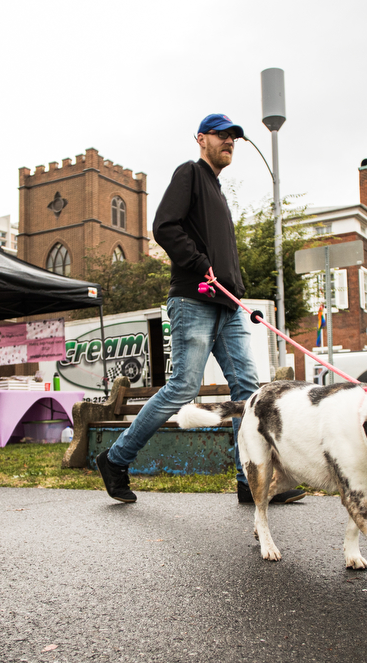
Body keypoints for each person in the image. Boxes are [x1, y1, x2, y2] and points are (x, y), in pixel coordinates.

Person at [96, 113, 306, 506]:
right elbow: (164, 226)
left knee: (249, 391)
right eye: (222, 136)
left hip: (227, 306)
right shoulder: (189, 174)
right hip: (193, 300)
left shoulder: (218, 192)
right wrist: (196, 261)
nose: (229, 142)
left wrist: (237, 290)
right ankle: (115, 459)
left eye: (234, 138)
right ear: (201, 139)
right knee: (182, 388)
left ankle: (252, 483)